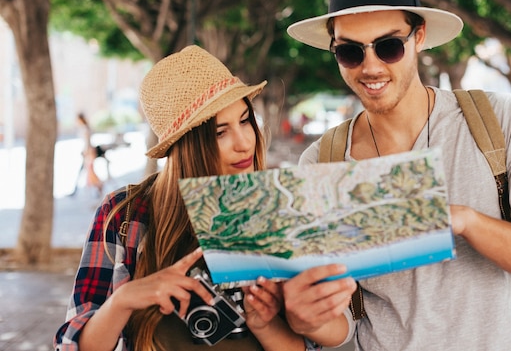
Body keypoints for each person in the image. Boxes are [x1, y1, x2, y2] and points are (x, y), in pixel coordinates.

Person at [281, 0, 511, 350]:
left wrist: (464, 221)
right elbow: (345, 329)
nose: (370, 67)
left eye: (388, 46)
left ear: (419, 36)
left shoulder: (497, 121)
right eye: (350, 51)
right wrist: (309, 319)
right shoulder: (323, 161)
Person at [55, 45, 316, 351]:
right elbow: (71, 347)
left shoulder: (279, 206)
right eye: (220, 132)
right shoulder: (127, 213)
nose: (244, 143)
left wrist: (265, 323)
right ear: (186, 145)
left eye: (245, 120)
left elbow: (309, 345)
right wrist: (123, 301)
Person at [71, 112, 104, 197]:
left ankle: (99, 186)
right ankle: (96, 188)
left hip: (89, 153)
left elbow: (87, 143)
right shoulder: (85, 128)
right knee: (89, 171)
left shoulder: (84, 129)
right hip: (89, 152)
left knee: (90, 171)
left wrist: (85, 152)